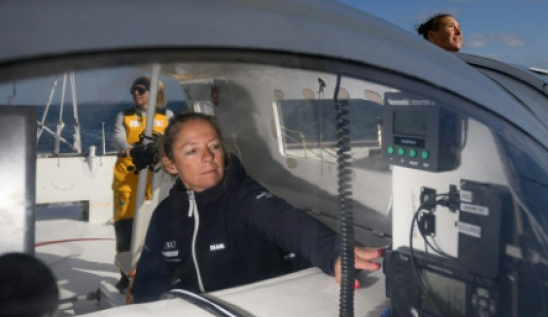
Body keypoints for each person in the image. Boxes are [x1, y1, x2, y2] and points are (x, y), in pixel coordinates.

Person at [128, 112, 383, 303]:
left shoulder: (243, 197)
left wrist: (335, 252)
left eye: (214, 146)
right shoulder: (165, 216)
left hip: (262, 316)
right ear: (170, 165)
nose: (208, 156)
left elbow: (285, 221)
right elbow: (149, 280)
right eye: (192, 151)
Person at [112, 76, 174, 289]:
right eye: (133, 91)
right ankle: (125, 274)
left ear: (153, 93)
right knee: (125, 229)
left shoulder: (167, 116)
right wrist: (131, 148)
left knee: (156, 227)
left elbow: (173, 139)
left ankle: (154, 268)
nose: (136, 94)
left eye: (141, 90)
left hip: (155, 182)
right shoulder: (125, 116)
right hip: (128, 181)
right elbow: (119, 139)